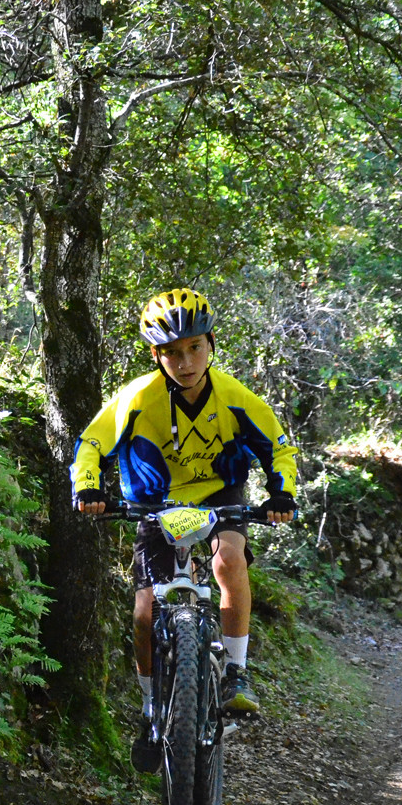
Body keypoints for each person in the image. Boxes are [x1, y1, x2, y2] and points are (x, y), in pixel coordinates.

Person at [70, 288, 297, 771]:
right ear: (156, 355)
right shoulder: (136, 398)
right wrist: (89, 488)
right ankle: (153, 706)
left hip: (219, 496)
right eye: (172, 352)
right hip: (154, 503)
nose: (185, 360)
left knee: (228, 560)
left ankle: (235, 672)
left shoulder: (236, 398)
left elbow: (278, 448)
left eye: (195, 347)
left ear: (211, 344)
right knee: (145, 612)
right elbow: (91, 442)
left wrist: (282, 495)